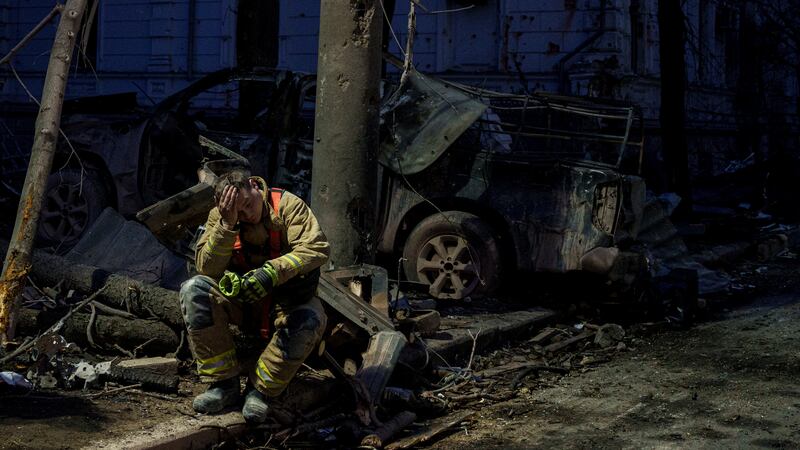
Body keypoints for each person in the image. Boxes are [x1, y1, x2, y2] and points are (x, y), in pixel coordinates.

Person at [179, 170, 329, 422]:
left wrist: (271, 272)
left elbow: (316, 248)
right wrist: (227, 225)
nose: (247, 215)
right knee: (194, 289)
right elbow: (207, 268)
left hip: (285, 304)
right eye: (239, 212)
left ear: (254, 185)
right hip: (241, 302)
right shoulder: (222, 215)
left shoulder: (287, 206)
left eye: (248, 205)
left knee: (311, 318)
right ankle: (222, 385)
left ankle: (260, 391)